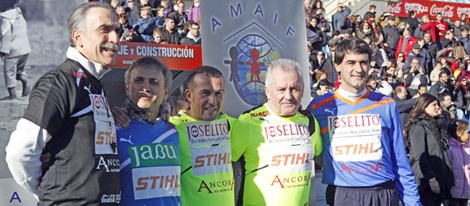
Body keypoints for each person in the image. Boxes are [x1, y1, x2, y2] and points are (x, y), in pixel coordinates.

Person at [5, 2, 121, 205]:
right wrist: (48, 191)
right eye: (105, 30)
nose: (115, 39)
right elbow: (19, 151)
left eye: (117, 31)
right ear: (78, 37)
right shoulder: (60, 81)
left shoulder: (93, 81)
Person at [308, 38, 421, 206]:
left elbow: (400, 161)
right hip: (343, 195)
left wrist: (413, 202)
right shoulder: (318, 108)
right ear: (337, 65)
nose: (358, 69)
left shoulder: (386, 104)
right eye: (351, 63)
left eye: (363, 63)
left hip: (384, 194)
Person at [231, 59, 322, 206]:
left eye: (295, 89)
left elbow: (321, 158)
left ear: (303, 90)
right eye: (281, 89)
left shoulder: (309, 121)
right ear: (267, 91)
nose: (288, 96)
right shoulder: (247, 122)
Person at [117, 57, 181, 205]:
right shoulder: (112, 129)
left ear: (165, 93)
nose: (145, 87)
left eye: (154, 82)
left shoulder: (174, 131)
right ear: (127, 88)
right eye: (138, 80)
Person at [169, 66, 236, 206]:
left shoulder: (233, 125)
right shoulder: (172, 129)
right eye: (205, 93)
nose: (212, 101)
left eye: (218, 94)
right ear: (189, 95)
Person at [404, 93, 454, 206]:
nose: (438, 107)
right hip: (426, 181)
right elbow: (420, 156)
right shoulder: (418, 127)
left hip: (440, 177)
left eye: (438, 105)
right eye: (434, 105)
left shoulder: (436, 125)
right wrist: (431, 178)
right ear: (424, 106)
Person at [0, 0, 31, 100]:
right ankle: (26, 82)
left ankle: (12, 96)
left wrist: (3, 51)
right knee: (19, 71)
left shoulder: (5, 19)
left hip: (13, 51)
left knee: (9, 73)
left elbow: (6, 36)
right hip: (25, 49)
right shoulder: (19, 15)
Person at [447, 120, 470, 206]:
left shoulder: (468, 147)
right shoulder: (450, 148)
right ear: (458, 133)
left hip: (466, 191)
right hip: (453, 192)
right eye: (468, 132)